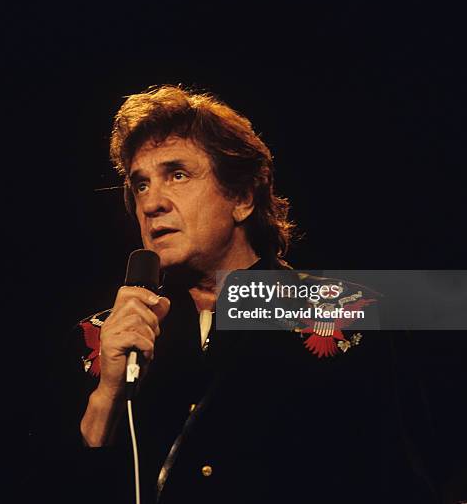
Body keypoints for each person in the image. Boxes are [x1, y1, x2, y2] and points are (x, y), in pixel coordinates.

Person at [26, 85, 463, 504]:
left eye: (176, 175)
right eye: (140, 185)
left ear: (242, 197)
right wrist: (107, 393)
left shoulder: (348, 313)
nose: (151, 202)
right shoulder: (98, 339)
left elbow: (403, 481)